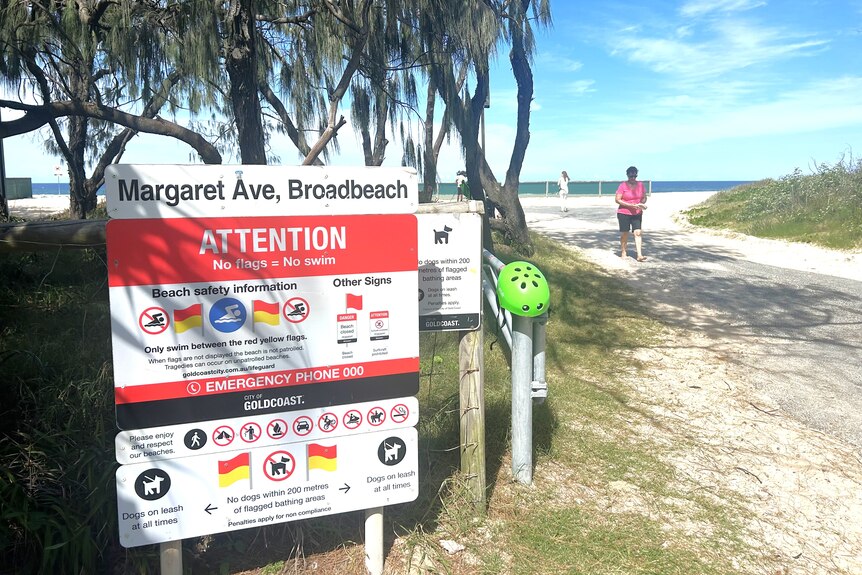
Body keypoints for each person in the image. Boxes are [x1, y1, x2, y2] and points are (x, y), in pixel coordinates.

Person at [615, 166, 648, 261]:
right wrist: (630, 205)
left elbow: (644, 197)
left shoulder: (641, 185)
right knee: (625, 233)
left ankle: (639, 255)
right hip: (624, 212)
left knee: (637, 233)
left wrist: (642, 203)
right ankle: (623, 251)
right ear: (628, 175)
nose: (633, 178)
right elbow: (617, 200)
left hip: (637, 213)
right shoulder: (623, 186)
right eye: (631, 176)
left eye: (635, 176)